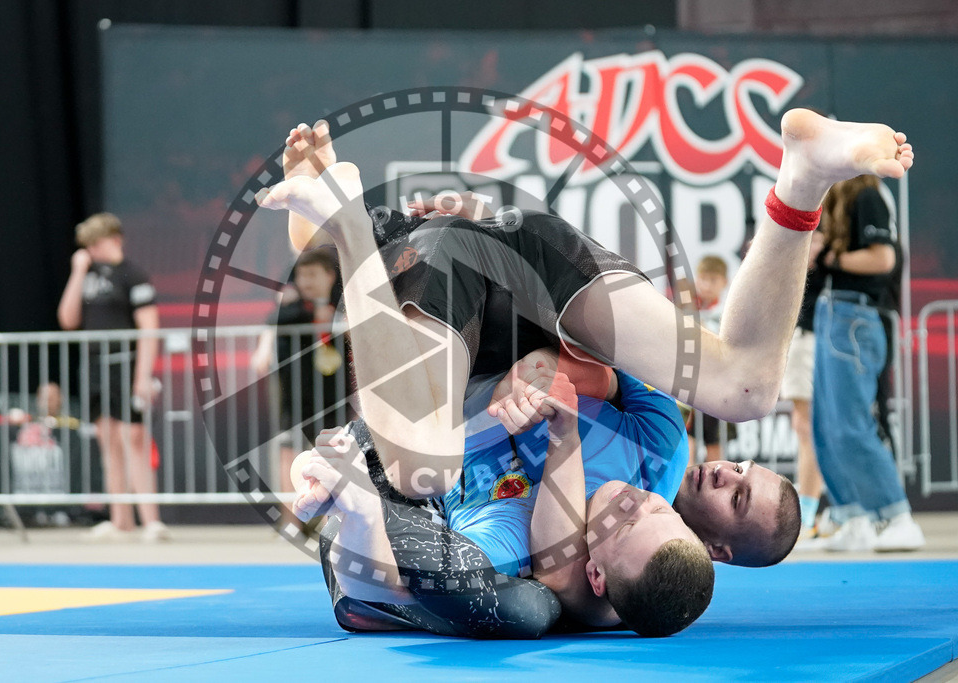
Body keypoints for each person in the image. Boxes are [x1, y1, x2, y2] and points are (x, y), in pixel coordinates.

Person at [257, 110, 913, 513]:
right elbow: (599, 375)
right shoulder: (667, 450)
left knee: (744, 385)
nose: (728, 473)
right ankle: (344, 221)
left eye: (737, 497)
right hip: (500, 279)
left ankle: (801, 180)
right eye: (747, 477)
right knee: (417, 465)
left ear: (723, 546)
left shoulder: (633, 521)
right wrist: (550, 379)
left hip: (505, 251)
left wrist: (338, 465)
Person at [293, 355, 713, 637]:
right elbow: (614, 361)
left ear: (596, 575)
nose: (635, 500)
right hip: (444, 421)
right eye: (659, 507)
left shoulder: (514, 554)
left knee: (522, 608)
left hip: (403, 509)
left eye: (626, 526)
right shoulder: (658, 460)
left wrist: (360, 509)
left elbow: (373, 585)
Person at [811, 175, 924, 552]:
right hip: (834, 314)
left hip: (853, 317)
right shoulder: (839, 198)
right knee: (826, 427)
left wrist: (828, 256)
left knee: (851, 425)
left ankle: (897, 517)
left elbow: (883, 257)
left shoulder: (866, 194)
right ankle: (852, 517)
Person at [57, 212, 169, 543]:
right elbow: (67, 319)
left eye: (96, 243)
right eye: (87, 246)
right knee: (107, 440)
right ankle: (120, 520)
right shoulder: (87, 274)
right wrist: (78, 272)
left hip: (126, 362)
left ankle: (151, 520)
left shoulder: (133, 276)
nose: (91, 251)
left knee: (133, 438)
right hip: (94, 365)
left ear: (114, 239)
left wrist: (142, 376)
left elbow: (150, 329)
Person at [250, 248, 350, 487]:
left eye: (312, 275)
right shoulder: (291, 307)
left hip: (333, 393)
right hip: (293, 391)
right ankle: (291, 522)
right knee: (288, 450)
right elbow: (274, 320)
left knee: (334, 452)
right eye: (302, 275)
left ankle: (332, 519)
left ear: (329, 276)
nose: (305, 281)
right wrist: (264, 347)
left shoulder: (345, 301)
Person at [781, 230, 828, 541]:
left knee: (808, 427)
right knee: (806, 427)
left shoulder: (825, 258)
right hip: (804, 341)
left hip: (813, 342)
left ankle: (809, 514)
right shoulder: (797, 260)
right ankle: (810, 512)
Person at [685, 255, 733, 463]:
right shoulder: (685, 310)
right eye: (702, 279)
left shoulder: (728, 313)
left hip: (717, 389)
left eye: (712, 280)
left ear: (724, 282)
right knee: (686, 442)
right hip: (689, 391)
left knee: (715, 446)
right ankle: (683, 491)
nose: (706, 285)